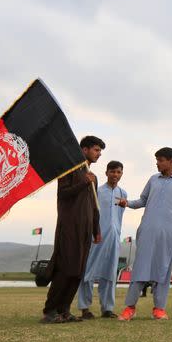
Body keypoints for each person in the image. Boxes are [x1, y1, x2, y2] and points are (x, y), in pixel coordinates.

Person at [117, 147, 172, 321]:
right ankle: (130, 307)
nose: (157, 163)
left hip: (167, 233)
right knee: (140, 267)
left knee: (163, 268)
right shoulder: (153, 179)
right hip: (147, 230)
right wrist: (127, 203)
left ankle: (159, 308)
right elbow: (142, 200)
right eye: (157, 160)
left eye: (160, 160)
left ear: (171, 161)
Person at [41, 136, 104, 324]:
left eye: (100, 151)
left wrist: (96, 229)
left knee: (78, 270)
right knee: (65, 269)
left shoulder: (93, 176)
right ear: (84, 150)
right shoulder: (68, 169)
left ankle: (64, 309)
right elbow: (63, 194)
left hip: (85, 230)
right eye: (96, 150)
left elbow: (94, 206)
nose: (99, 154)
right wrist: (83, 182)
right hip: (69, 227)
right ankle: (50, 310)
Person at [77, 159, 126, 319]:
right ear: (106, 173)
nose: (115, 175)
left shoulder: (123, 194)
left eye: (118, 172)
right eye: (112, 171)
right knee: (89, 272)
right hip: (96, 238)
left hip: (114, 239)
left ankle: (107, 309)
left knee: (110, 273)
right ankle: (85, 308)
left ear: (121, 174)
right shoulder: (96, 190)